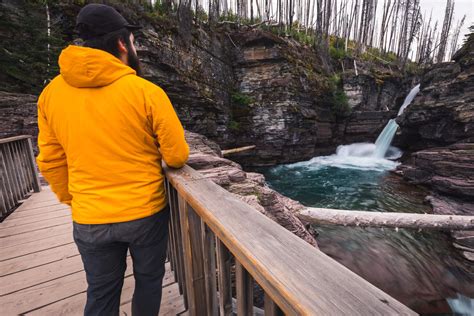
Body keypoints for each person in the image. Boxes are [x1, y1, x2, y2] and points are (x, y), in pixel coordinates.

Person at [36, 4, 189, 316]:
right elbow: (176, 155)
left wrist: (74, 198)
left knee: (101, 291)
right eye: (132, 41)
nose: (134, 47)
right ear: (122, 43)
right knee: (148, 281)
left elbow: (50, 160)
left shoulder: (51, 94)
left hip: (90, 215)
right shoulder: (145, 92)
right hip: (144, 212)